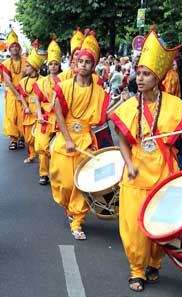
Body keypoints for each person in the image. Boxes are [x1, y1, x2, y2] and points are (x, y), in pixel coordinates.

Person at [109, 27, 182, 292]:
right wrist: (130, 163)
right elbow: (123, 140)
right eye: (138, 73)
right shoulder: (128, 106)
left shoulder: (175, 105)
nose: (140, 78)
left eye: (146, 74)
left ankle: (154, 265)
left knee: (160, 223)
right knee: (134, 228)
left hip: (164, 174)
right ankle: (137, 269)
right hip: (135, 176)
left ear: (157, 77)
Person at [50, 31, 110, 240]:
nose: (83, 64)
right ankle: (69, 207)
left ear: (93, 66)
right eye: (80, 61)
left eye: (87, 62)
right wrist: (67, 139)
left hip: (85, 140)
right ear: (75, 64)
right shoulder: (64, 87)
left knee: (81, 184)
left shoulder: (99, 91)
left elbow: (102, 118)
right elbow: (58, 113)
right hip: (65, 140)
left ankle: (77, 221)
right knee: (64, 183)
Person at [33, 36, 62, 185]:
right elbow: (37, 99)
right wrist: (38, 114)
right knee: (42, 146)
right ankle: (44, 174)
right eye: (50, 64)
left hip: (59, 118)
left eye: (55, 64)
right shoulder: (41, 82)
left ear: (59, 65)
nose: (53, 67)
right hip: (44, 117)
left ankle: (56, 174)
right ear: (47, 66)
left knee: (58, 148)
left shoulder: (64, 81)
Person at [17, 40, 47, 163]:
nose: (26, 68)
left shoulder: (43, 80)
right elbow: (21, 96)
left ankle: (41, 157)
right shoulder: (23, 82)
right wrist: (26, 107)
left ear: (34, 68)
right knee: (29, 138)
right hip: (29, 113)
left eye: (28, 66)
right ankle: (31, 155)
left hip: (40, 114)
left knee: (40, 138)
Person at [1, 30, 27, 150]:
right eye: (12, 47)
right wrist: (17, 94)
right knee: (12, 116)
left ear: (19, 48)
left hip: (24, 92)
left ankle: (22, 138)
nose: (15, 48)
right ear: (9, 49)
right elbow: (8, 81)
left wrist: (22, 93)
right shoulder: (5, 63)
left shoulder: (26, 61)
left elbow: (28, 76)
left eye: (17, 46)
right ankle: (13, 139)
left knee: (22, 116)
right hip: (12, 94)